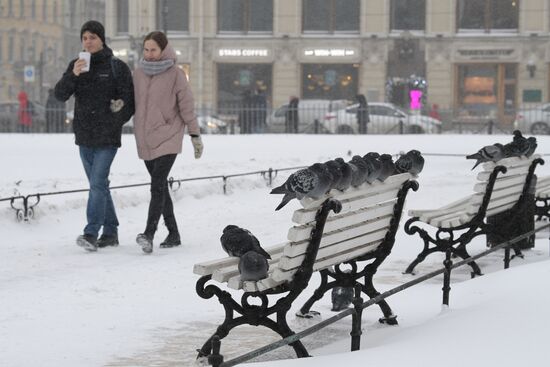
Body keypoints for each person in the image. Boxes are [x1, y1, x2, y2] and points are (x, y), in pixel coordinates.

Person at [54, 20, 135, 252]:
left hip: (107, 137)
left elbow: (129, 103)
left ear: (102, 39)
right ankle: (110, 232)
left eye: (92, 37)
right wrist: (73, 75)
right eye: (85, 38)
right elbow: (59, 95)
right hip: (84, 135)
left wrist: (115, 119)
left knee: (97, 183)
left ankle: (91, 233)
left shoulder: (116, 67)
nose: (88, 42)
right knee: (98, 185)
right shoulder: (77, 65)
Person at [133, 31, 204, 254]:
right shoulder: (138, 74)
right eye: (146, 50)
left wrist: (194, 135)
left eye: (153, 49)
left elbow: (186, 107)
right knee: (161, 185)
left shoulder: (176, 74)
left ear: (163, 50)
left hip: (169, 136)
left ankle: (149, 234)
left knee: (156, 185)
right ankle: (173, 233)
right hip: (145, 138)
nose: (150, 54)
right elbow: (129, 102)